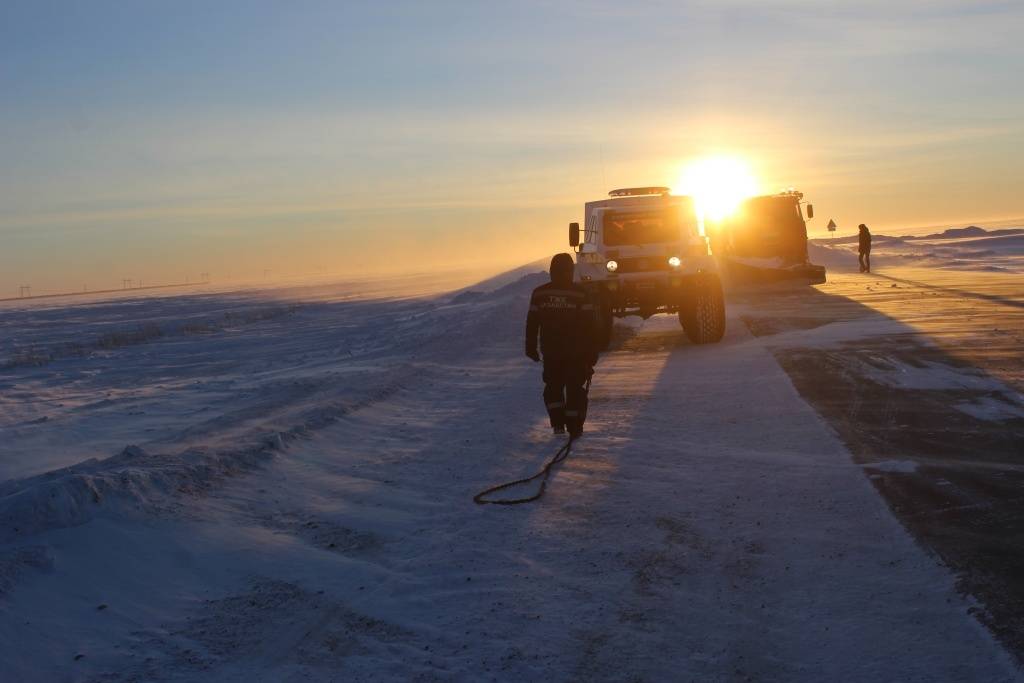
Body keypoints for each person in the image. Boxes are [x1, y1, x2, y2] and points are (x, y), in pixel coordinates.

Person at [525, 253, 599, 438]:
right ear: (571, 271)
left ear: (552, 271)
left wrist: (530, 346)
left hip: (551, 352)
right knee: (575, 388)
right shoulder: (580, 293)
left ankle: (558, 425)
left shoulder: (540, 293)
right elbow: (591, 326)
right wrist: (592, 353)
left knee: (553, 387)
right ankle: (575, 427)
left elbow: (532, 323)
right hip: (577, 353)